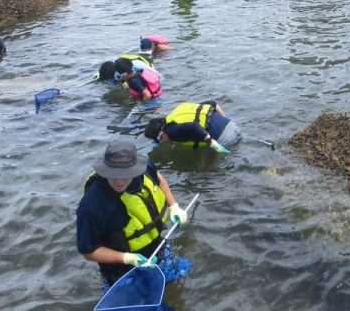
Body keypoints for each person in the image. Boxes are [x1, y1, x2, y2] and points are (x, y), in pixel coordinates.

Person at [77, 140, 189, 286]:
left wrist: (173, 206)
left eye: (125, 175)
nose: (119, 181)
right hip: (120, 266)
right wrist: (126, 258)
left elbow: (158, 178)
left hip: (156, 247)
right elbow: (88, 250)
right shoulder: (92, 205)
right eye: (113, 174)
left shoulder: (145, 167)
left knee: (179, 279)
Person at [144, 101, 241, 153]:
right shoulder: (176, 114)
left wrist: (211, 142)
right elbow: (212, 103)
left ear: (161, 135)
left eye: (159, 140)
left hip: (224, 138)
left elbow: (193, 127)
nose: (161, 142)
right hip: (231, 124)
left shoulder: (171, 131)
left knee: (204, 166)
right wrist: (223, 118)